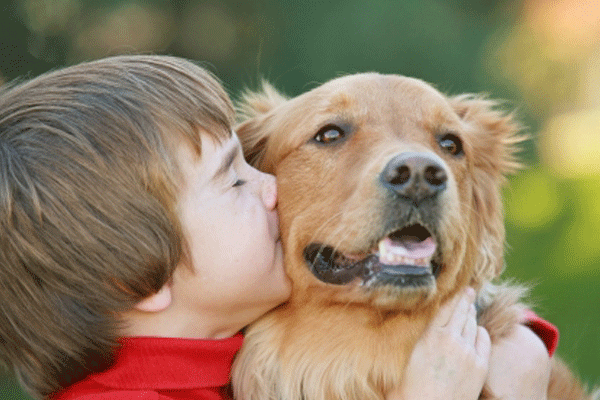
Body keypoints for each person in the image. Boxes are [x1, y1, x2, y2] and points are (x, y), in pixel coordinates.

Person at [0, 55, 554, 400]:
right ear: (137, 278)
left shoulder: (219, 347)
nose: (272, 189)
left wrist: (516, 341)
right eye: (235, 179)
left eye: (447, 149)